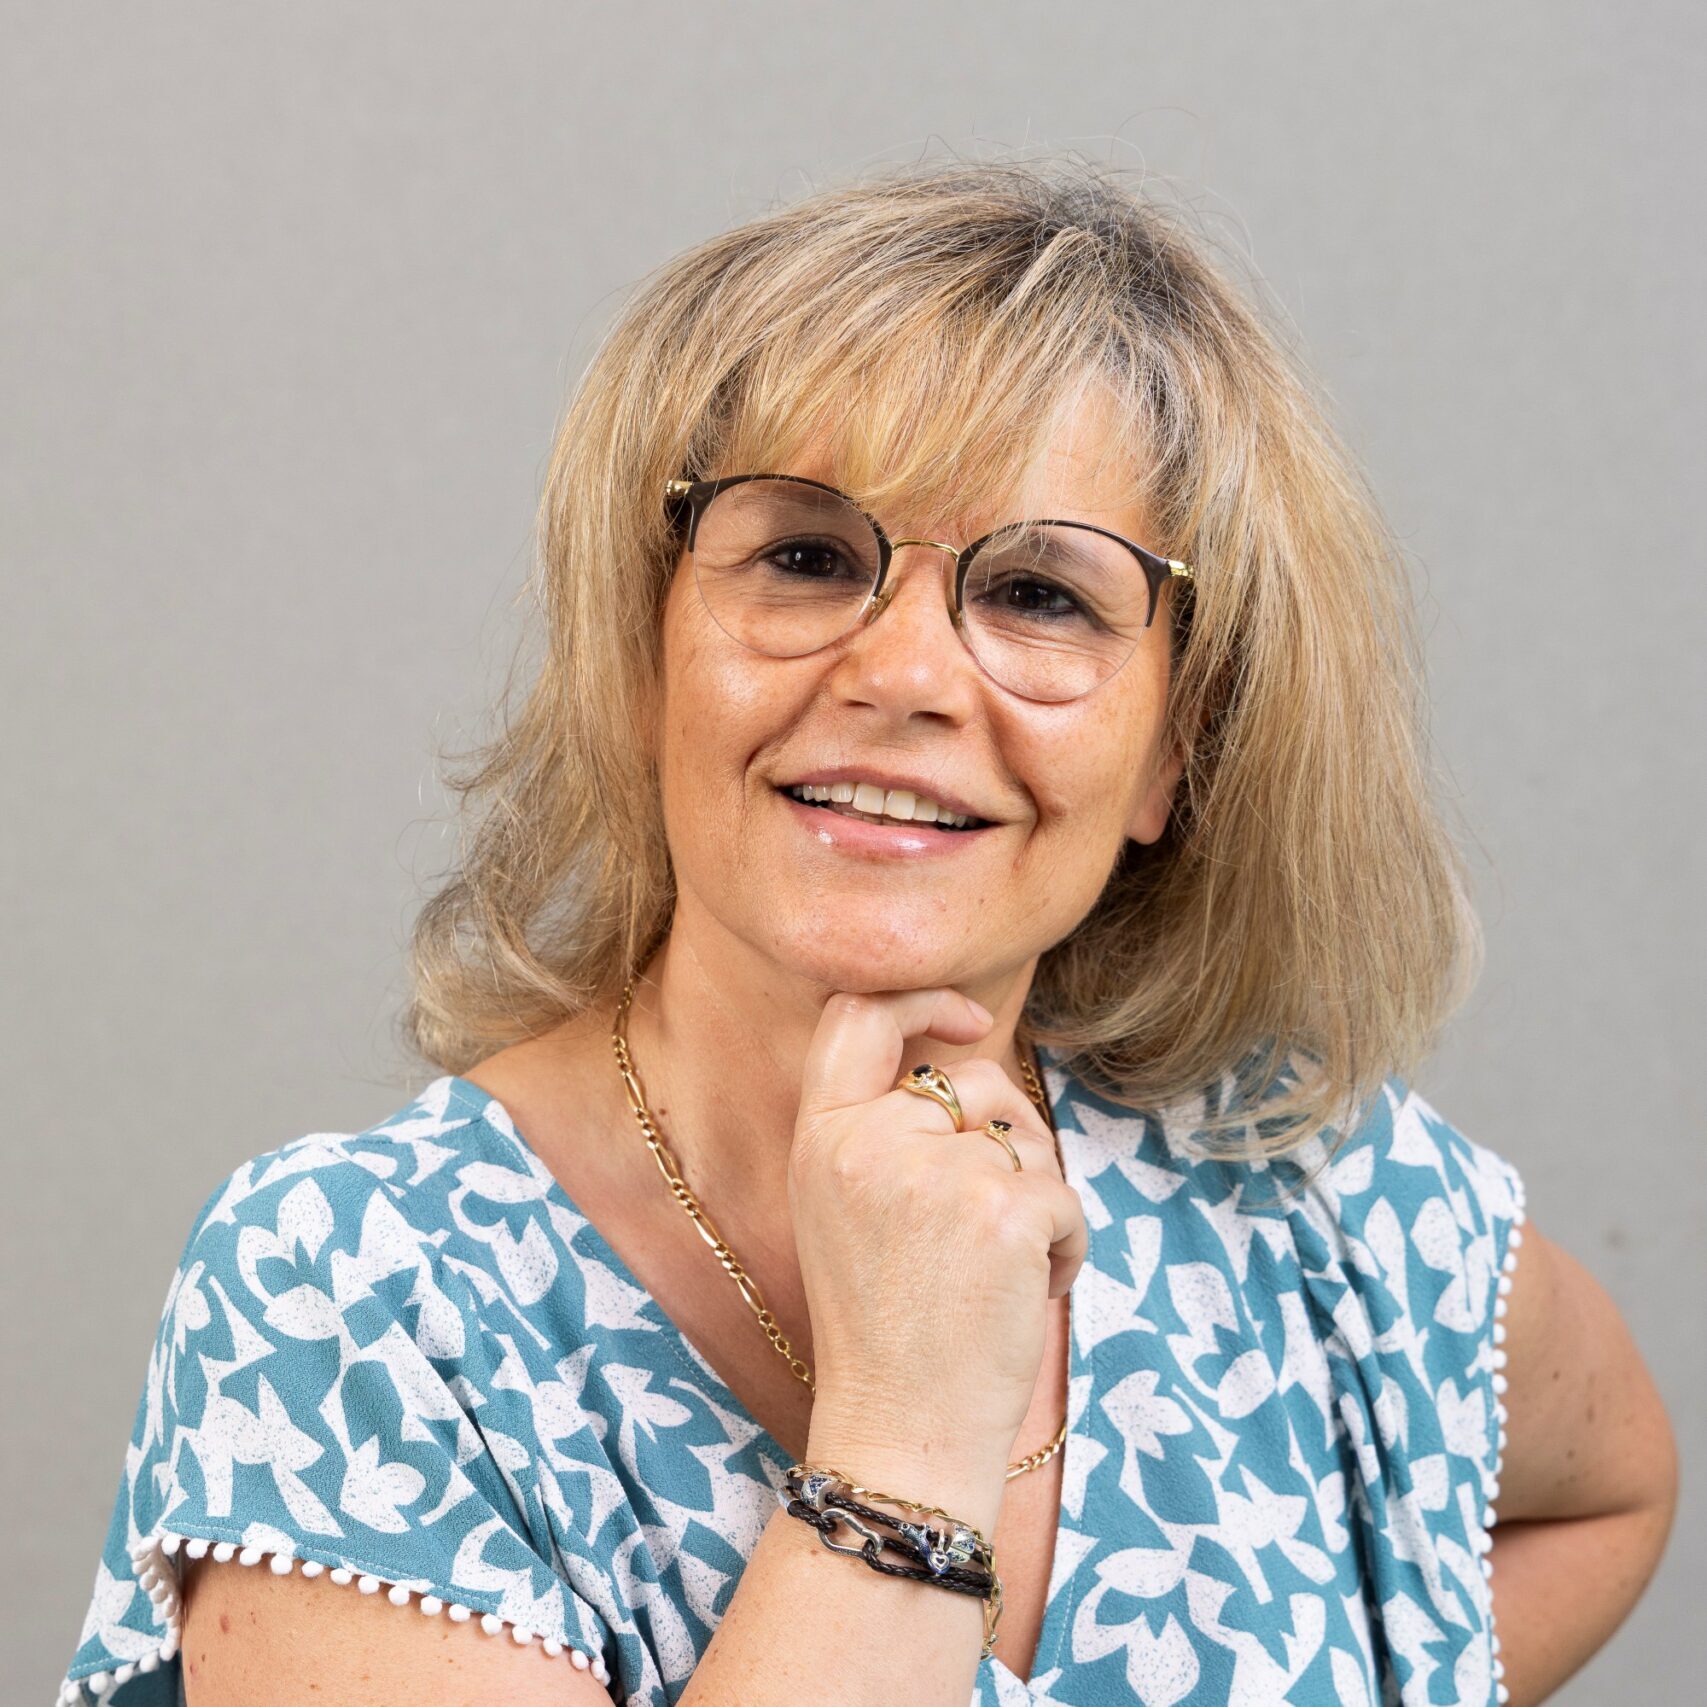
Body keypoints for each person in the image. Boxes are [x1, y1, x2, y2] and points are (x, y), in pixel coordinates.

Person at [60, 157, 1676, 1707]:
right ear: (646, 652)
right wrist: (904, 1430)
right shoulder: (350, 1292)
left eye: (1041, 594)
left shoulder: (1305, 1189)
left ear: (1175, 749)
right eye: (808, 558)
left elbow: (1609, 1492)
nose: (904, 675)